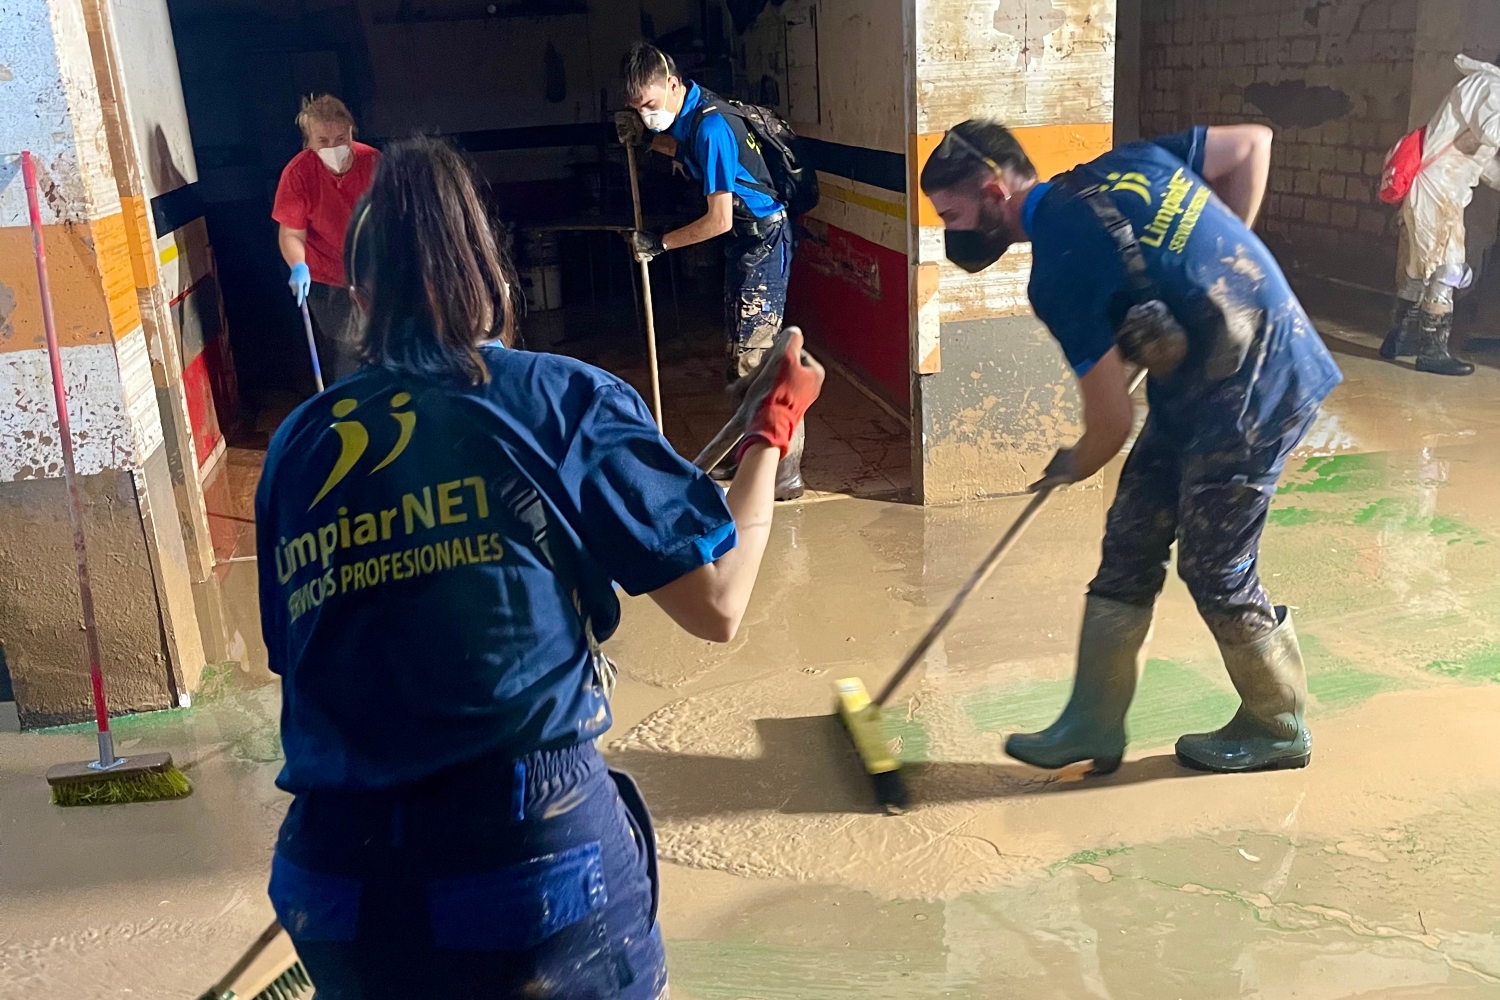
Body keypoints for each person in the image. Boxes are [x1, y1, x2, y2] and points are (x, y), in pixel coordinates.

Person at [256, 136, 824, 999]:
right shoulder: (561, 398)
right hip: (525, 864)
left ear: (361, 296)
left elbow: (300, 655)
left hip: (333, 880)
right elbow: (718, 601)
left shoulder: (297, 446)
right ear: (490, 273)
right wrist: (771, 432)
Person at [919, 120, 1343, 775]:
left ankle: (1276, 721)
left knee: (1216, 567)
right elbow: (1254, 143)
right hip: (1201, 376)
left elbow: (1110, 426)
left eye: (954, 213)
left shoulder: (1057, 269)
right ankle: (1093, 722)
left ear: (994, 188)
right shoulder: (1131, 162)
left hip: (1256, 386)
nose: (955, 231)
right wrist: (1223, 267)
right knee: (1131, 536)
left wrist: (1071, 463)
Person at [619, 42, 804, 500]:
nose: (646, 115)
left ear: (674, 84)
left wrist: (659, 243)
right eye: (636, 108)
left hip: (761, 239)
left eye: (650, 104)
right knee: (741, 355)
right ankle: (751, 457)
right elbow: (678, 146)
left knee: (758, 359)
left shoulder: (713, 127)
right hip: (746, 241)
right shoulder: (689, 116)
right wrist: (643, 140)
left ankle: (783, 471)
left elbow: (718, 220)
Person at [1381, 53, 1500, 377]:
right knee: (1447, 268)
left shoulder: (1485, 87)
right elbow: (1494, 132)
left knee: (1419, 269)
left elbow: (1480, 159)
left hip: (1438, 189)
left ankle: (1400, 338)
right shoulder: (1491, 87)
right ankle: (1433, 350)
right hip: (1437, 191)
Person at [273, 94, 381, 383]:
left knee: (384, 338)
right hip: (326, 274)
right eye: (323, 141)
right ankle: (350, 407)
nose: (334, 147)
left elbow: (393, 219)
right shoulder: (298, 173)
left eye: (341, 138)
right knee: (348, 345)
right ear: (309, 143)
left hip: (372, 267)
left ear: (351, 132)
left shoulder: (373, 162)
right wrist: (298, 266)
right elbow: (292, 232)